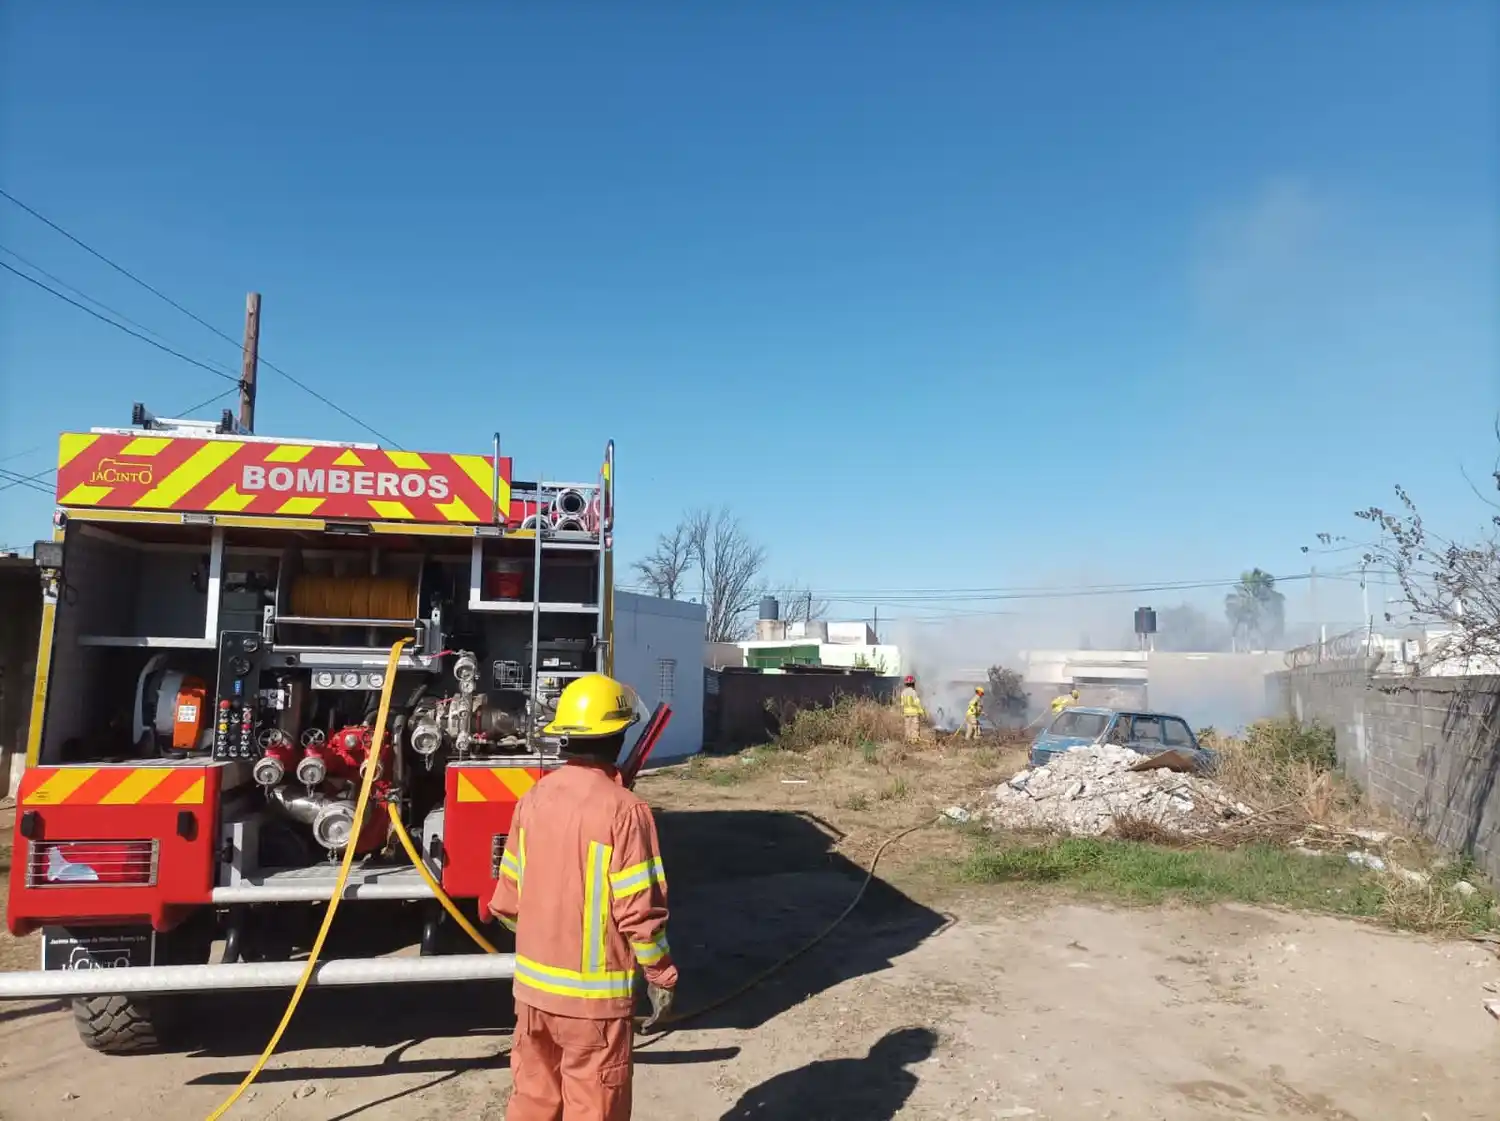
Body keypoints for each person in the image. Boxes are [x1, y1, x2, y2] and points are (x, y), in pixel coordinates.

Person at [486, 673, 677, 1121]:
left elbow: (507, 901)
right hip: (594, 1005)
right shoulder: (625, 811)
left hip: (532, 997)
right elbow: (640, 912)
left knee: (533, 1105)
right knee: (593, 1109)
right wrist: (661, 976)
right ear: (617, 737)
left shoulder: (533, 799)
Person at [898, 675, 925, 743]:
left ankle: (908, 741)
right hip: (914, 713)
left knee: (907, 728)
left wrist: (904, 711)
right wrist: (921, 712)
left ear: (906, 684)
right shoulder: (913, 692)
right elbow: (917, 703)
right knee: (915, 729)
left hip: (906, 713)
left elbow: (902, 704)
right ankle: (914, 743)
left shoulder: (903, 692)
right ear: (913, 683)